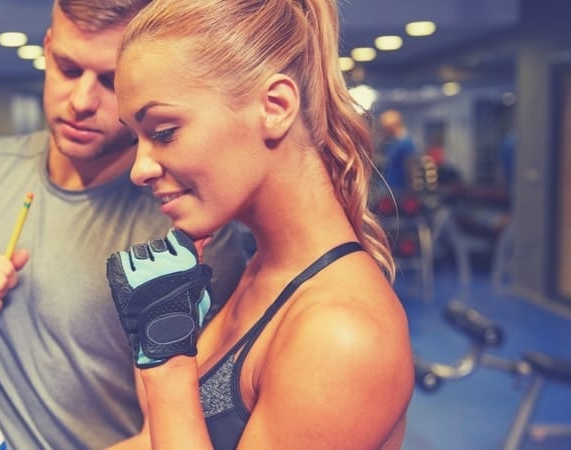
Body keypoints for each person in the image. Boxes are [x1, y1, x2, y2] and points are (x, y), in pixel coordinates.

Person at [0, 1, 247, 449]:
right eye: (67, 68)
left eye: (110, 80)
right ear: (48, 47)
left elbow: (170, 435)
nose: (81, 102)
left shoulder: (189, 230)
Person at [108, 0, 414, 448]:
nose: (139, 169)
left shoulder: (342, 334)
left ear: (274, 107)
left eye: (164, 131)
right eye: (136, 137)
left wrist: (167, 359)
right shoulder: (264, 270)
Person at [379, 109, 419, 194]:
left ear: (393, 126)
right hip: (391, 187)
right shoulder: (394, 142)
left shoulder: (405, 142)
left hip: (400, 190)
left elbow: (410, 168)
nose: (384, 131)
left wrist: (410, 191)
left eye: (386, 128)